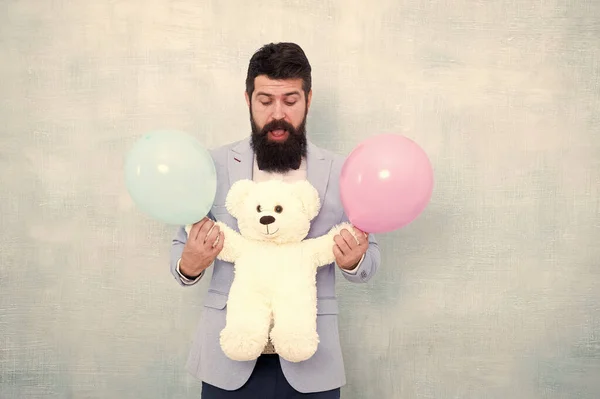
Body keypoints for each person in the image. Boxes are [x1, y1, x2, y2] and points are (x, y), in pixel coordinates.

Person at [170, 42, 381, 398]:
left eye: (291, 101)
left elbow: (370, 260)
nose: (277, 114)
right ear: (248, 99)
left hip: (311, 360)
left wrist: (354, 260)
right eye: (265, 101)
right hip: (228, 362)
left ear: (308, 99)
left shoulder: (343, 171)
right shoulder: (213, 165)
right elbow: (181, 254)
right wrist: (189, 265)